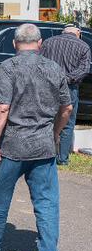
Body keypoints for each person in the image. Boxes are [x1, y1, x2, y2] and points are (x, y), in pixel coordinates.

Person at [0, 23, 73, 251]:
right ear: (40, 43)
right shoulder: (53, 68)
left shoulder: (9, 67)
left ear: (14, 44)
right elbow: (66, 108)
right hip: (43, 146)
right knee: (46, 204)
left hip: (12, 145)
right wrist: (55, 133)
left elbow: (1, 107)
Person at [39, 25, 91, 165]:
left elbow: (39, 63)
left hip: (47, 86)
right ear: (78, 33)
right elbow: (84, 69)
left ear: (63, 32)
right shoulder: (83, 46)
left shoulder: (48, 42)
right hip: (69, 87)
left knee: (45, 119)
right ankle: (62, 158)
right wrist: (66, 78)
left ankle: (43, 155)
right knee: (67, 123)